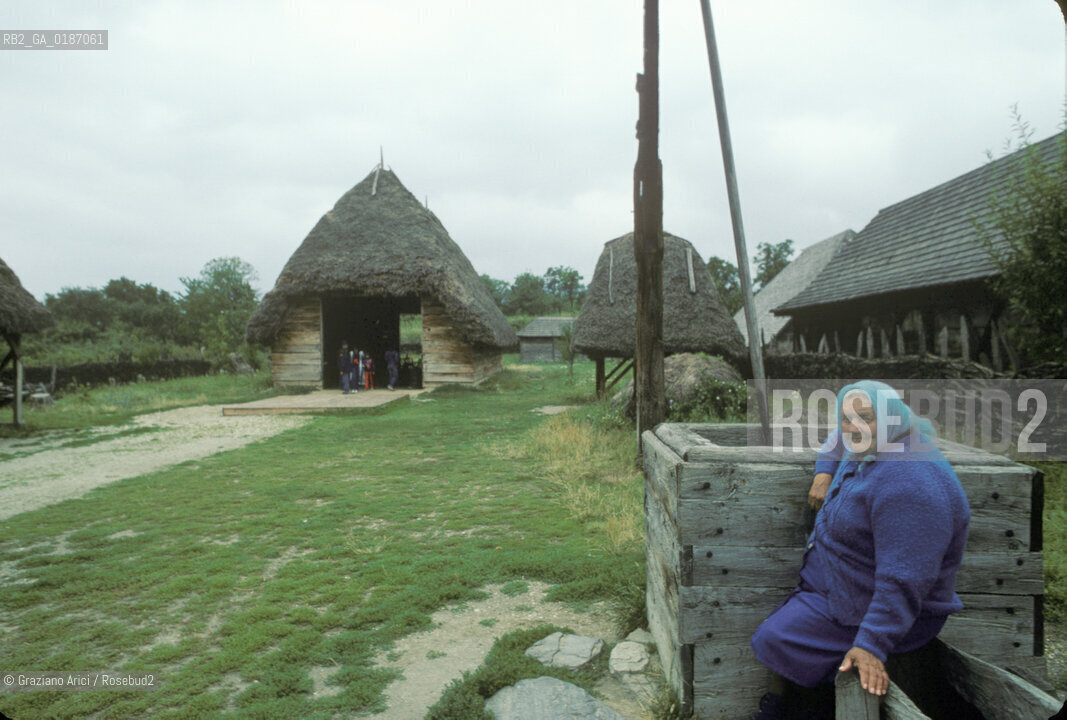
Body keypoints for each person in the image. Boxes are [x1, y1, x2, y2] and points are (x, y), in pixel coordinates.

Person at [748, 381, 970, 720]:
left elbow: (904, 579)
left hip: (880, 606)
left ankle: (799, 709)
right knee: (782, 633)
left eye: (865, 417)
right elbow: (839, 438)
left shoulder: (909, 483)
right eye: (846, 417)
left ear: (891, 416)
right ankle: (796, 703)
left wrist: (871, 644)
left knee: (774, 638)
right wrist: (824, 471)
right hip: (848, 583)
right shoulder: (882, 439)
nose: (854, 427)